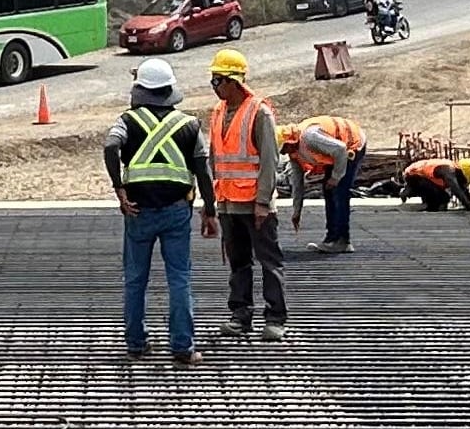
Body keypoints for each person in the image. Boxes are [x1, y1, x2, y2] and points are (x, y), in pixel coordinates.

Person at [101, 58, 216, 364]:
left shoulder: (126, 121)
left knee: (135, 279)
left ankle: (136, 344)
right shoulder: (190, 125)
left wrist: (119, 189)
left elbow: (111, 147)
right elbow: (203, 171)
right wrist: (210, 210)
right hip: (177, 211)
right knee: (179, 278)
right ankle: (182, 348)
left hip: (137, 211)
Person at [202, 47, 290, 338]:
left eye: (217, 80)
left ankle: (275, 318)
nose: (214, 87)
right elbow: (215, 158)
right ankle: (240, 316)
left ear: (233, 81)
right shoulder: (217, 113)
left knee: (269, 262)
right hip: (228, 202)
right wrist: (211, 201)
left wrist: (263, 202)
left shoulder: (259, 112)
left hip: (254, 203)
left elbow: (269, 160)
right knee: (238, 264)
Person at [290, 114, 369, 248]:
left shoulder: (310, 138)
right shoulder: (293, 152)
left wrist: (336, 177)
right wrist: (296, 212)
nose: (281, 153)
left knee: (339, 192)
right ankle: (331, 238)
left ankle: (342, 241)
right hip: (336, 152)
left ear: (289, 142)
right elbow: (298, 183)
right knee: (328, 190)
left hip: (352, 144)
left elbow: (340, 150)